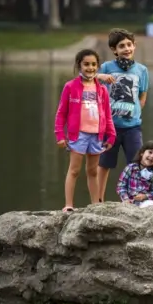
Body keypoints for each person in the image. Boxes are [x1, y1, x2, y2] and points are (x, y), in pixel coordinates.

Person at [55, 49, 116, 212]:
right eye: (86, 64)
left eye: (94, 64)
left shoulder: (102, 90)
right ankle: (68, 204)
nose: (90, 68)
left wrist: (111, 135)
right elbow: (61, 113)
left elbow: (107, 115)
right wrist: (60, 135)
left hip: (96, 134)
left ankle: (95, 205)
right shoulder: (70, 87)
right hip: (78, 134)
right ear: (79, 66)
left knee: (92, 171)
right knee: (74, 170)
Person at [96, 28, 150, 202]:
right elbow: (88, 80)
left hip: (132, 127)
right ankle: (98, 199)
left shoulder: (141, 70)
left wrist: (136, 111)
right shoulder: (106, 67)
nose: (126, 49)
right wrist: (101, 76)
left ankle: (134, 197)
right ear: (114, 49)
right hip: (109, 127)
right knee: (104, 164)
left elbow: (142, 95)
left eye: (129, 45)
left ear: (134, 46)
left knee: (136, 164)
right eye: (121, 46)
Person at [116, 141, 153, 207]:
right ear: (142, 153)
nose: (152, 156)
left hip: (145, 202)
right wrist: (126, 199)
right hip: (129, 202)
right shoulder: (130, 168)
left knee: (150, 204)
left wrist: (145, 196)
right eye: (150, 152)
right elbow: (121, 186)